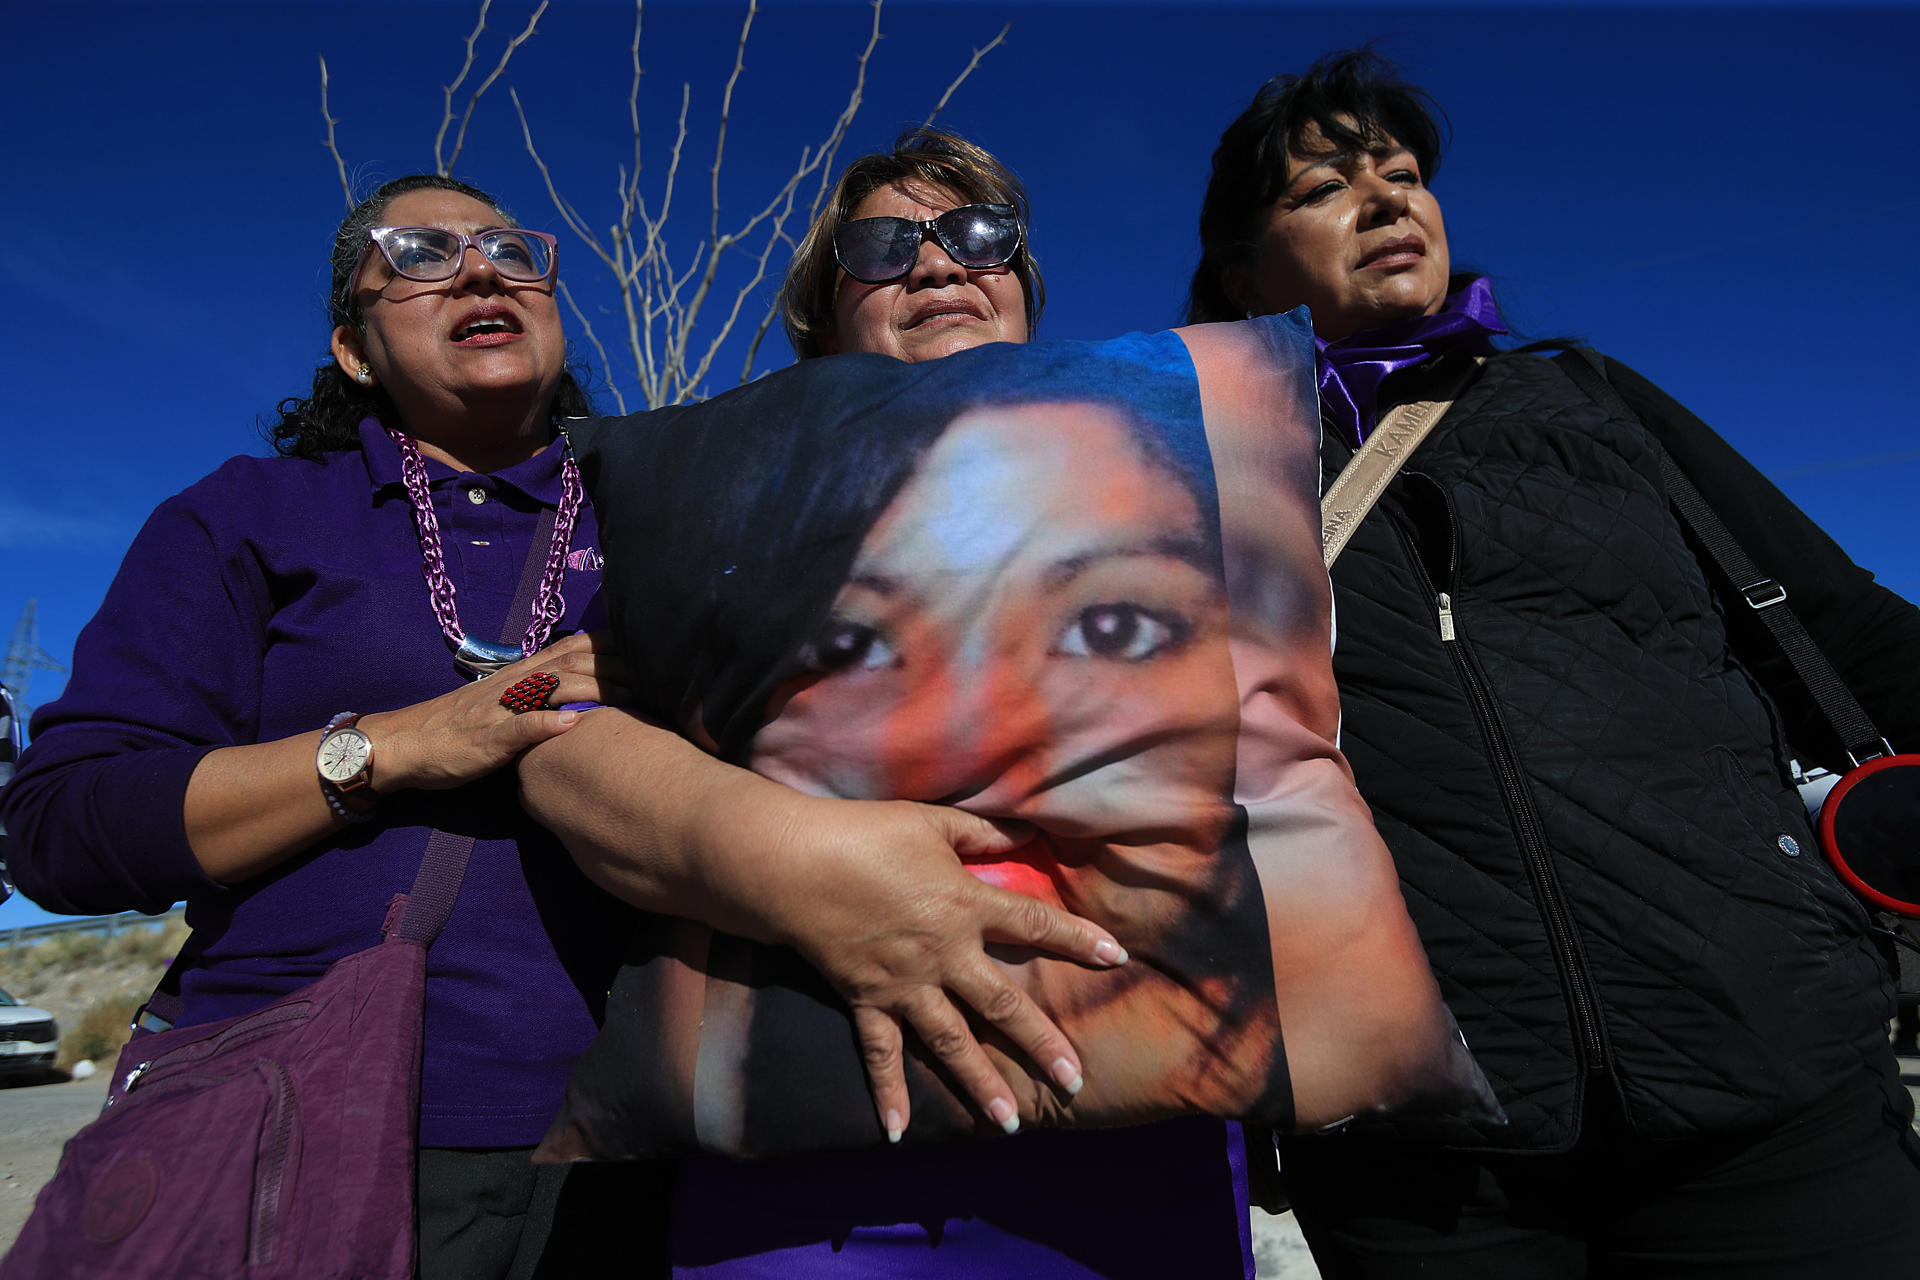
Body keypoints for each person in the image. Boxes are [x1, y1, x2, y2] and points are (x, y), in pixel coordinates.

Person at [1186, 50, 1920, 1277]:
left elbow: (1845, 626)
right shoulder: (1194, 475)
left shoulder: (1591, 400)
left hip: (1769, 1073)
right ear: (1240, 272)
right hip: (1415, 1144)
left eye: (1403, 174)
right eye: (1324, 186)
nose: (1387, 201)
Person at [519, 127, 1261, 1277]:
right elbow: (560, 736)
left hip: (1139, 1151)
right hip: (803, 1181)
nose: (939, 262)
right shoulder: (713, 517)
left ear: (1024, 289)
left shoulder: (1189, 484)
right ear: (822, 318)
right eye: (882, 247)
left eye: (981, 235)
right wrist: (794, 859)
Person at [0, 173, 647, 1278]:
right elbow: (62, 826)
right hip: (308, 1126)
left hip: (639, 1138)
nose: (480, 272)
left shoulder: (658, 507)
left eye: (509, 250)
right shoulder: (249, 515)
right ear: (354, 350)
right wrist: (394, 746)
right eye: (420, 256)